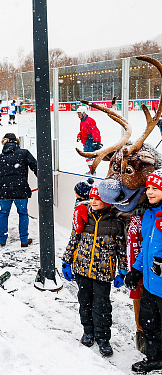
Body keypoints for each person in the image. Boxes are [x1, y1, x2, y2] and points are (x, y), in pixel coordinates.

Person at [62, 186, 126, 357]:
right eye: (91, 198)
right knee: (85, 302)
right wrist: (66, 261)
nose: (93, 202)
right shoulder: (83, 217)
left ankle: (103, 338)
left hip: (103, 273)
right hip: (82, 270)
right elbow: (73, 240)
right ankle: (88, 331)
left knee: (102, 307)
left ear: (107, 201)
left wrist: (122, 270)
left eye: (97, 199)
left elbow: (121, 249)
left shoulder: (116, 223)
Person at [125, 170, 162, 373]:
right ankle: (155, 359)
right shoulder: (149, 213)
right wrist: (136, 270)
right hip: (149, 283)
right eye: (148, 187)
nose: (149, 192)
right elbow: (146, 248)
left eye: (155, 188)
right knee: (148, 323)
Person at [0, 133, 37, 247]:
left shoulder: (0, 157)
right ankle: (24, 240)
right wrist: (43, 181)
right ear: (16, 142)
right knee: (23, 214)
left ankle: (2, 240)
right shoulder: (24, 153)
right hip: (20, 190)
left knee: (3, 214)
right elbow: (36, 166)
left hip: (5, 191)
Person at [76, 107, 102, 174]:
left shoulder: (90, 120)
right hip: (85, 141)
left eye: (79, 114)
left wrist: (97, 141)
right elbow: (81, 131)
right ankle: (92, 170)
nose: (78, 116)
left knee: (88, 155)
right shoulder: (82, 121)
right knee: (87, 156)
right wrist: (79, 136)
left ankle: (92, 171)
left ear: (83, 113)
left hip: (90, 140)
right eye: (78, 114)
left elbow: (95, 131)